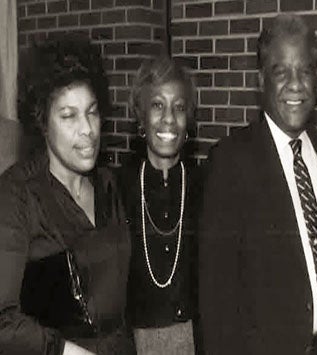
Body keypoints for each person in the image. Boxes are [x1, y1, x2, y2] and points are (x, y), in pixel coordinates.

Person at [198, 13, 317, 355]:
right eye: (282, 72)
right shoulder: (230, 162)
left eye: (305, 70)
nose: (295, 85)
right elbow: (214, 300)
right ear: (261, 80)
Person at [0, 38, 134, 354]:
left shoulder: (108, 185)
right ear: (43, 123)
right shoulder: (17, 195)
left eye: (92, 112)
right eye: (69, 116)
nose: (87, 129)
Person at [121, 55, 199, 354]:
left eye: (179, 108)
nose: (168, 118)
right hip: (134, 344)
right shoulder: (117, 187)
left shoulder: (206, 185)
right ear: (141, 117)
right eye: (157, 105)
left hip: (195, 342)